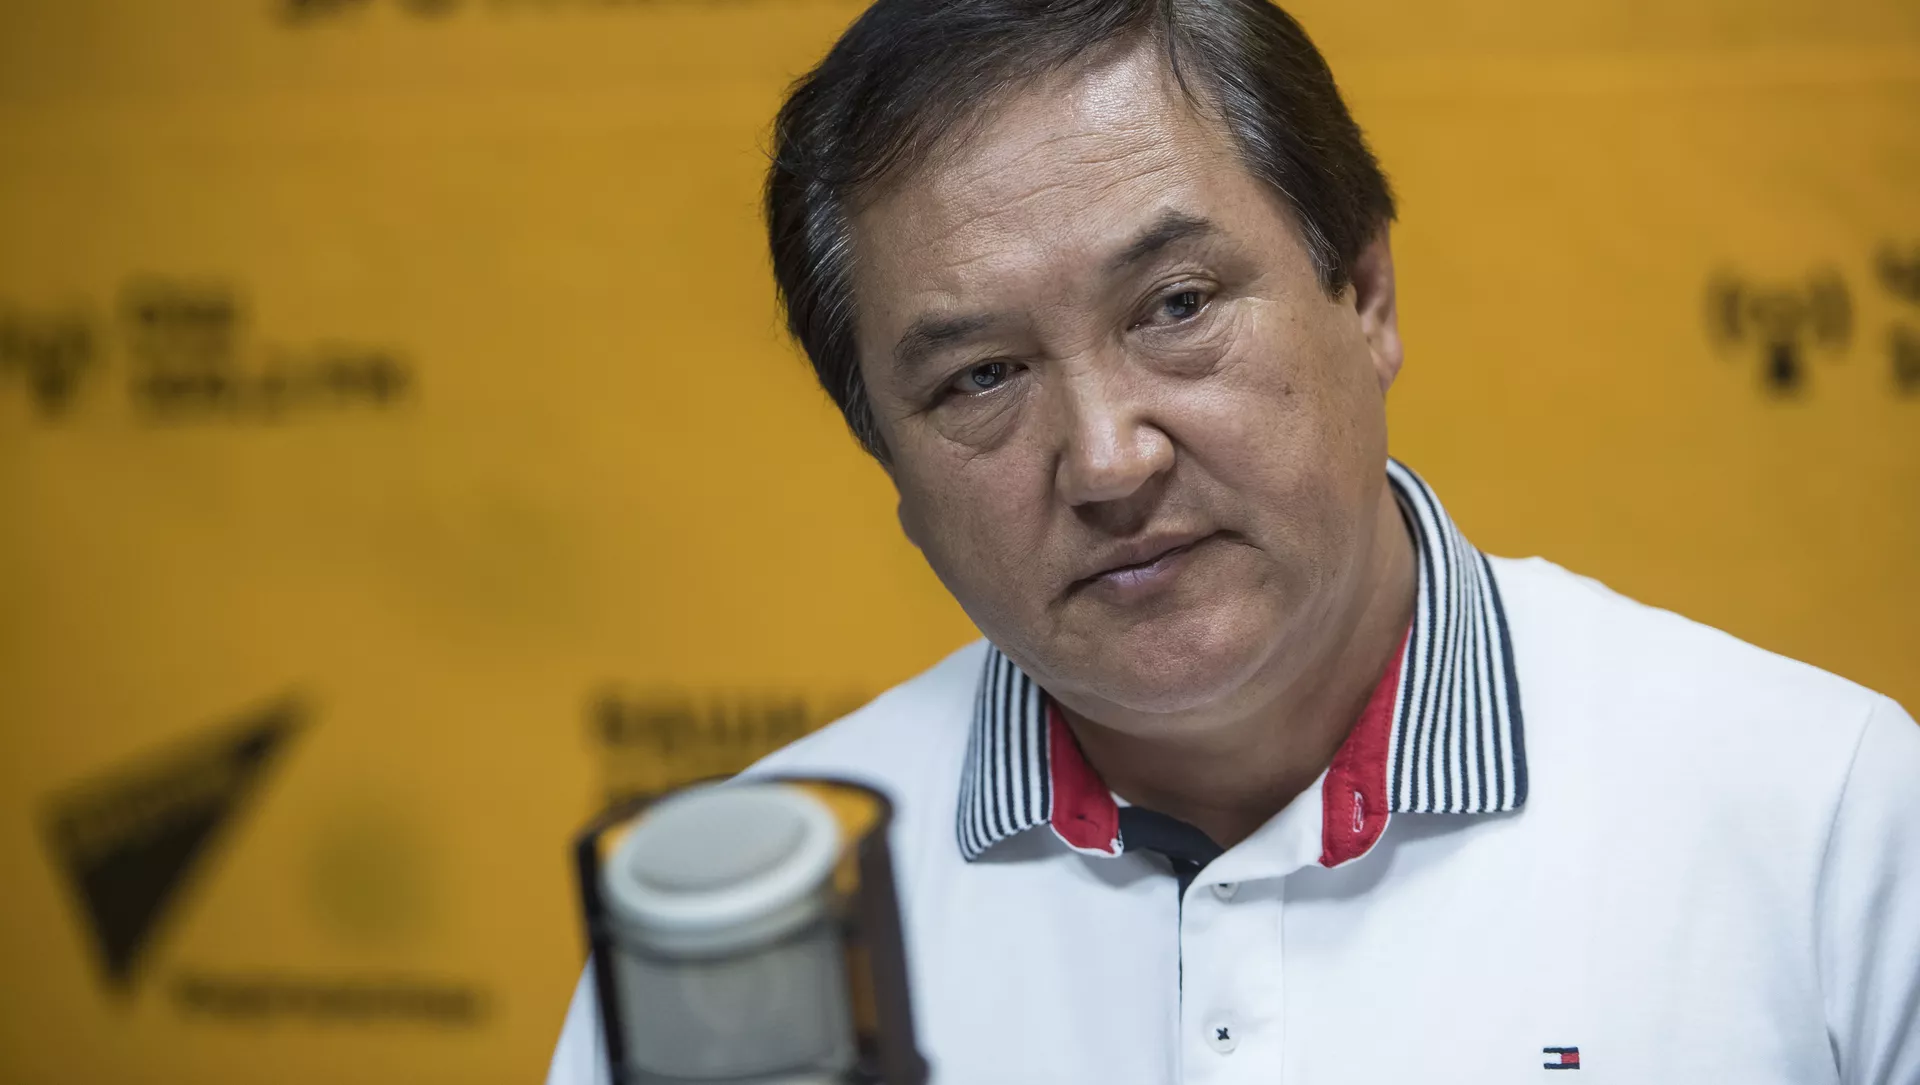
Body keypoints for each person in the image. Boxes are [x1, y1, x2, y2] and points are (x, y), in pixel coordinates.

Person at [548, 0, 1920, 1081]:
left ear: (1364, 294)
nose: (1108, 459)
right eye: (980, 378)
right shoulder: (749, 930)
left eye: (1177, 305)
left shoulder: (1821, 818)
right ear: (891, 473)